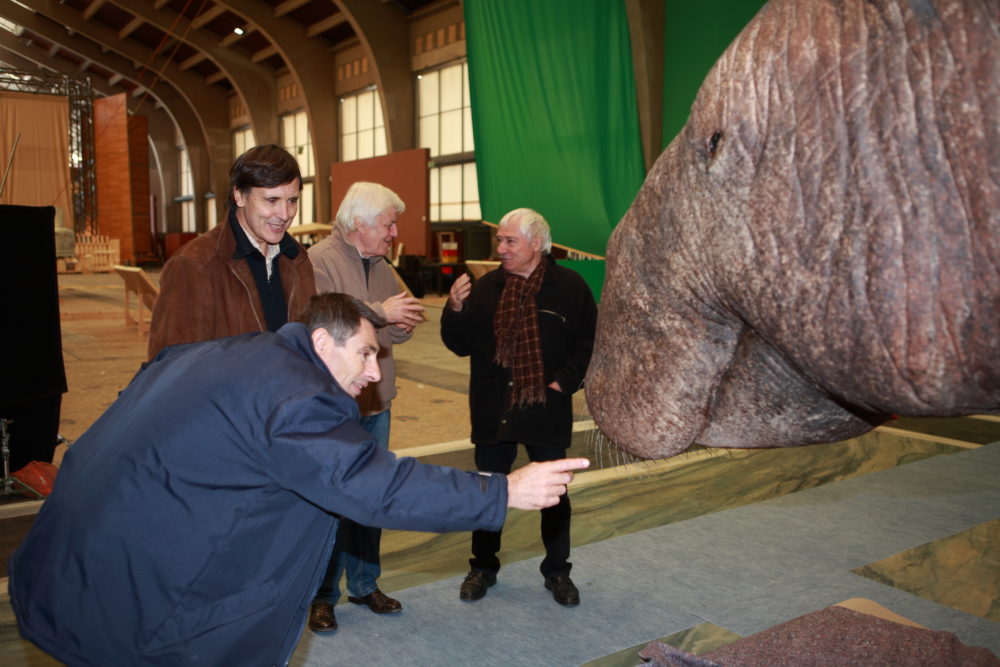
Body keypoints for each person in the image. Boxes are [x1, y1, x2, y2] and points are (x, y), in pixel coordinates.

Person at [8, 293, 589, 667]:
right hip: (141, 603)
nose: (370, 374)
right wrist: (504, 491)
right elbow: (373, 485)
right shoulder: (296, 397)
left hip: (73, 565)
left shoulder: (231, 353)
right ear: (320, 342)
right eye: (364, 354)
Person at [441, 208, 598, 606]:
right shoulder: (486, 287)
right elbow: (459, 345)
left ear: (536, 244)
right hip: (494, 407)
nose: (501, 248)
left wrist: (563, 382)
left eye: (510, 241)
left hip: (546, 407)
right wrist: (455, 310)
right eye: (500, 241)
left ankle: (558, 572)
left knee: (555, 496)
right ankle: (482, 567)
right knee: (488, 491)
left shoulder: (570, 287)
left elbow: (588, 342)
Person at [305, 182, 424, 631]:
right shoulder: (320, 261)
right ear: (360, 223)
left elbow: (387, 336)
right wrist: (381, 312)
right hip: (337, 408)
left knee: (372, 499)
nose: (394, 232)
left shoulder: (383, 267)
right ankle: (322, 595)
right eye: (388, 223)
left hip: (378, 403)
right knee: (333, 501)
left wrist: (402, 322)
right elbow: (326, 325)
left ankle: (365, 583)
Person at [147, 144, 316, 360]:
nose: (284, 214)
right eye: (271, 200)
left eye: (292, 201)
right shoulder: (194, 265)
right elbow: (170, 369)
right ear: (239, 195)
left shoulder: (298, 260)